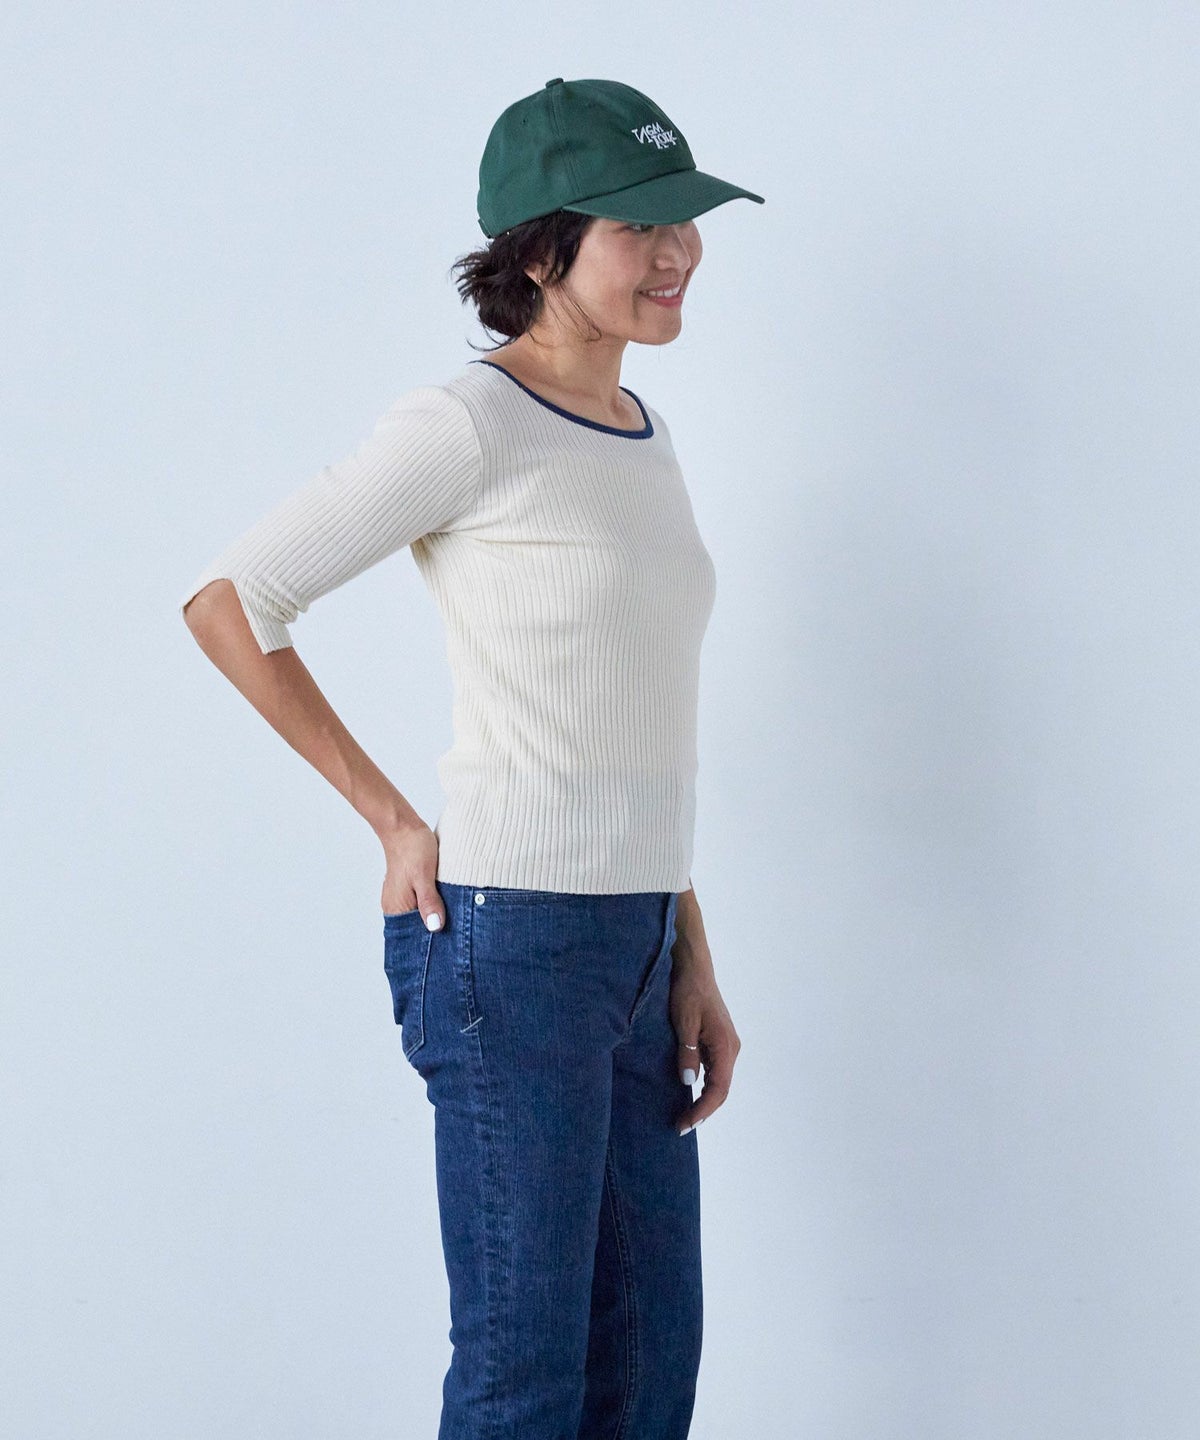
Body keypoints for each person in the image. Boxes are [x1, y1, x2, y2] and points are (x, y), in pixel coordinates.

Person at [180, 75, 763, 1440]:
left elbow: (630, 709)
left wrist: (686, 943)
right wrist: (393, 820)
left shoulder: (644, 432)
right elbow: (233, 602)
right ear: (543, 251)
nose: (678, 251)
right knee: (525, 1380)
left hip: (635, 944)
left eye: (685, 219)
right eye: (639, 225)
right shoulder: (472, 423)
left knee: (648, 1375)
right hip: (515, 944)